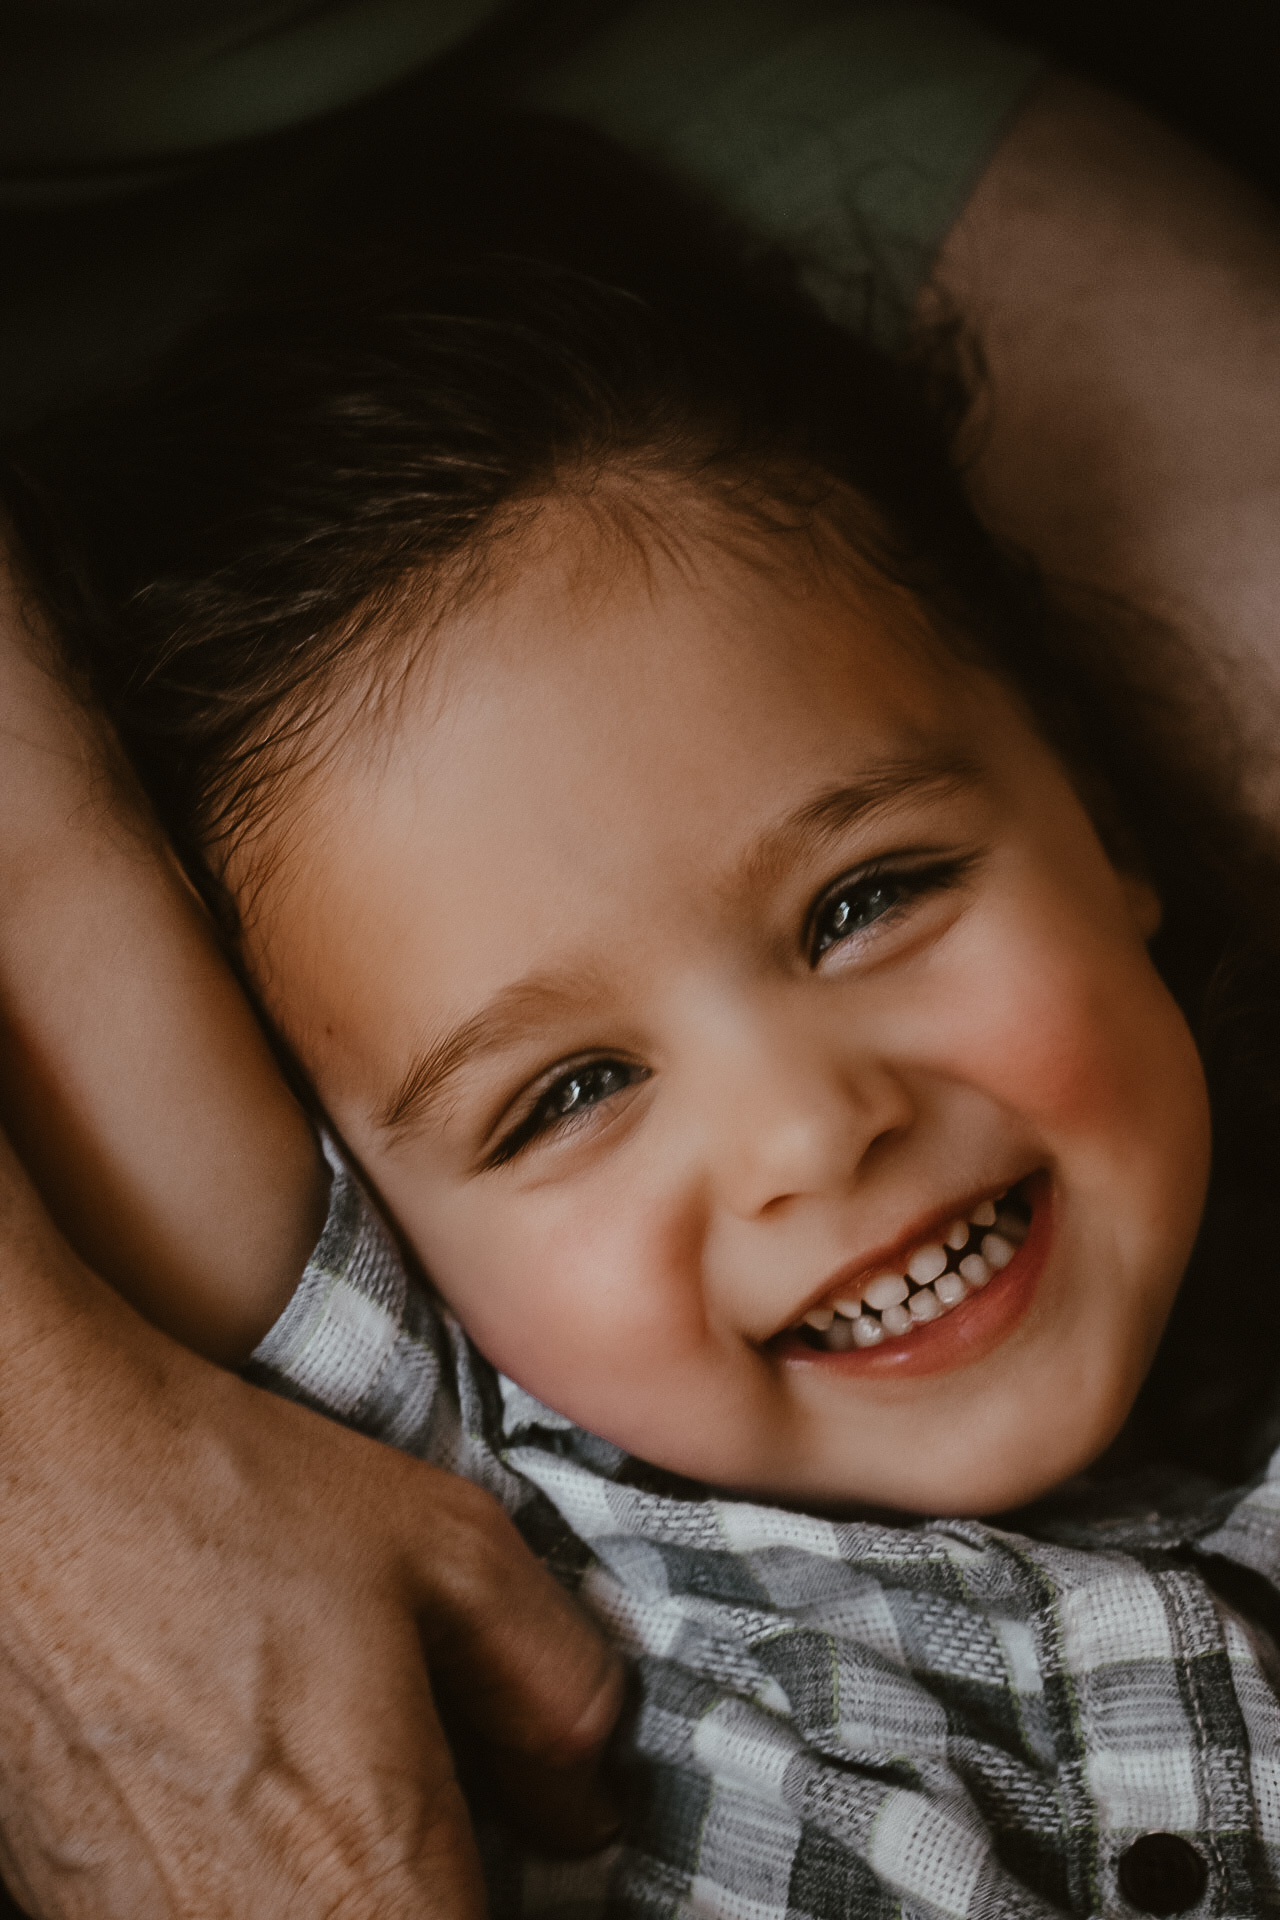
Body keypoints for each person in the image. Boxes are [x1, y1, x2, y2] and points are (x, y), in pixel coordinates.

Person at [7, 5, 1280, 1914]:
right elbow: (31, 868)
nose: (811, 1132)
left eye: (869, 899)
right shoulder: (454, 1496)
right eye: (570, 1093)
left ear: (1101, 822)